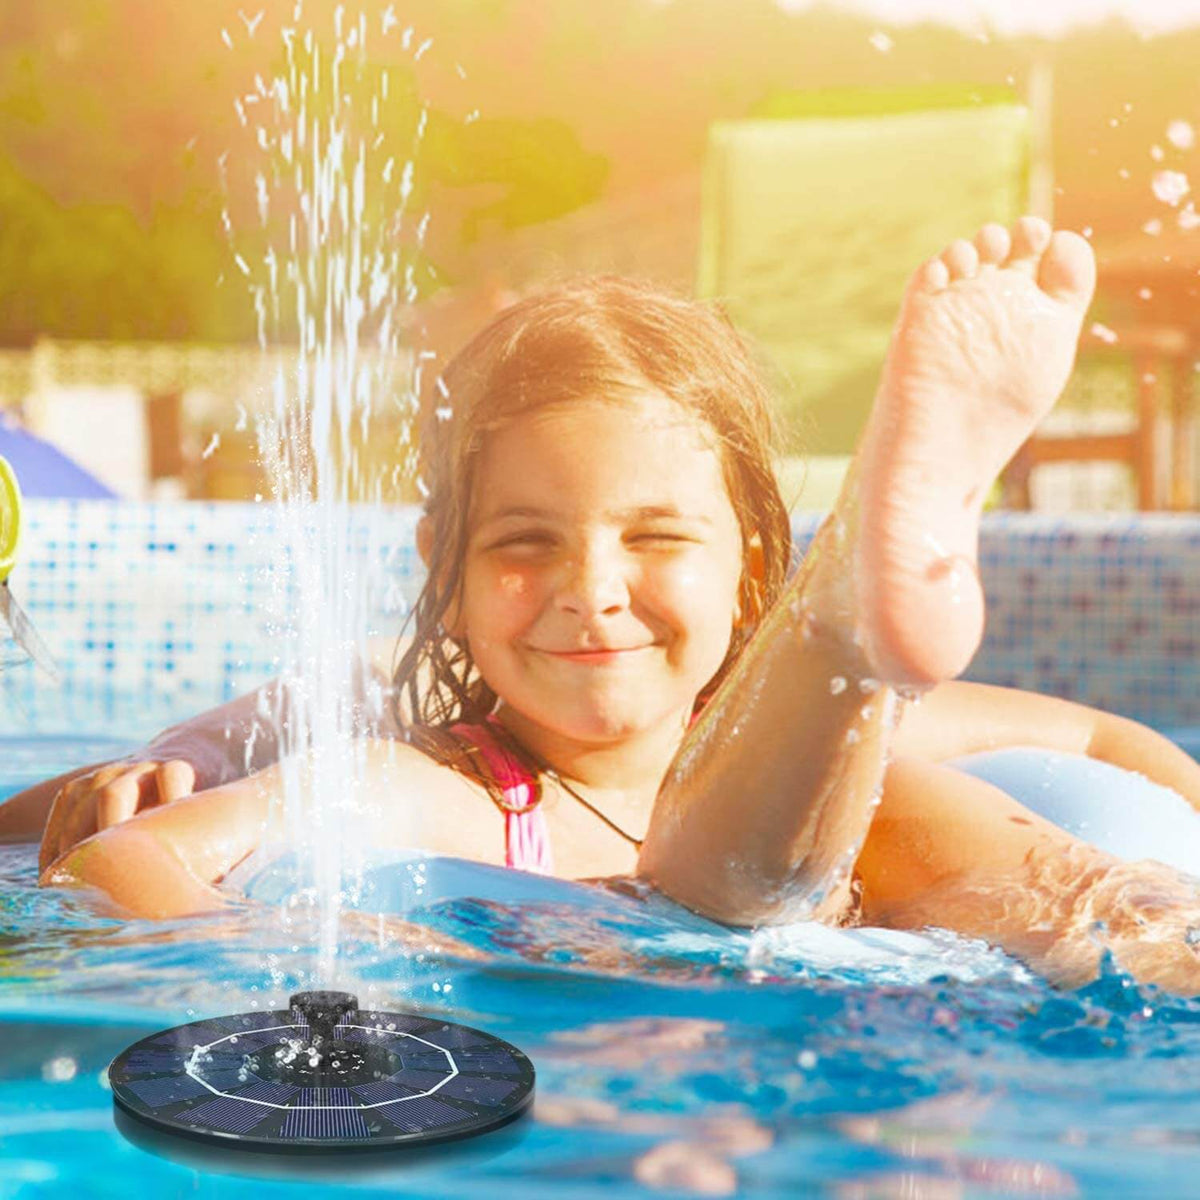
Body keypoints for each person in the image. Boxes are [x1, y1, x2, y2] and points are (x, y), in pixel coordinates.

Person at [6, 216, 1200, 994]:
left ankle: (856, 638)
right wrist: (274, 959)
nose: (591, 591)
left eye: (656, 537)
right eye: (525, 544)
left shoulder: (864, 754)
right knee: (775, 842)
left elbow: (1099, 743)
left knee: (939, 820)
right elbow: (124, 864)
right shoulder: (442, 791)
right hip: (754, 986)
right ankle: (843, 628)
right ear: (448, 575)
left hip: (811, 931)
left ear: (745, 567)